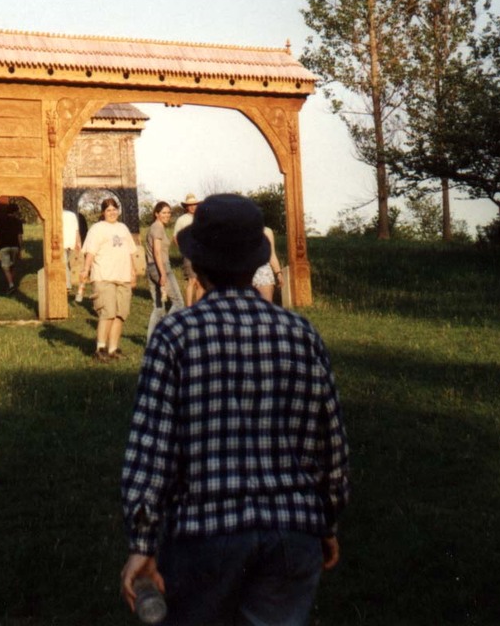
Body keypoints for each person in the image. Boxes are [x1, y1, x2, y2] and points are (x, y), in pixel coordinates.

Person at [119, 194, 351, 626]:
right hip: (291, 533)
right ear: (255, 263)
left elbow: (151, 451)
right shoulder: (300, 333)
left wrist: (142, 543)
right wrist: (327, 519)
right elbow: (330, 444)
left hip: (203, 535)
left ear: (197, 263)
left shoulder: (175, 335)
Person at [80, 197, 139, 362]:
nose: (112, 213)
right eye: (108, 210)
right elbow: (90, 252)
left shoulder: (123, 228)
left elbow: (130, 252)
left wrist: (133, 272)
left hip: (123, 277)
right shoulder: (97, 229)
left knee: (120, 314)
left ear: (118, 211)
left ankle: (113, 349)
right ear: (103, 212)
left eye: (114, 209)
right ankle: (100, 349)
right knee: (108, 313)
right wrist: (86, 269)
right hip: (104, 276)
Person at [144, 201, 185, 341]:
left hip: (151, 267)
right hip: (161, 267)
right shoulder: (157, 228)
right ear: (156, 214)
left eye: (168, 212)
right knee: (178, 303)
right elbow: (157, 252)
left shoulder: (155, 227)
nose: (167, 215)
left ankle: (151, 342)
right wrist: (162, 273)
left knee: (158, 307)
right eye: (163, 213)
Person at [171, 194, 201, 306]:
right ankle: (188, 307)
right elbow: (175, 237)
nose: (193, 207)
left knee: (200, 283)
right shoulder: (182, 220)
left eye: (195, 204)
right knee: (192, 281)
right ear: (186, 207)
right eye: (190, 205)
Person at [0, 203, 24, 294]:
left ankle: (11, 285)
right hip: (15, 246)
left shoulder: (0, 220)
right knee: (13, 265)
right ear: (15, 212)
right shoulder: (18, 222)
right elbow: (20, 237)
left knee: (5, 267)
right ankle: (11, 284)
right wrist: (20, 249)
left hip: (3, 246)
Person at [252, 225, 283, 302]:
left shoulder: (267, 231)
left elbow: (271, 254)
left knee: (265, 305)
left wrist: (278, 273)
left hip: (263, 274)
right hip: (243, 274)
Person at [62, 208, 82, 293]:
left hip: (62, 242)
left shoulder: (56, 215)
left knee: (64, 264)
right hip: (71, 242)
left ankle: (67, 285)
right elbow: (76, 230)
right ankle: (69, 283)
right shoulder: (72, 215)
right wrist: (78, 242)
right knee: (68, 264)